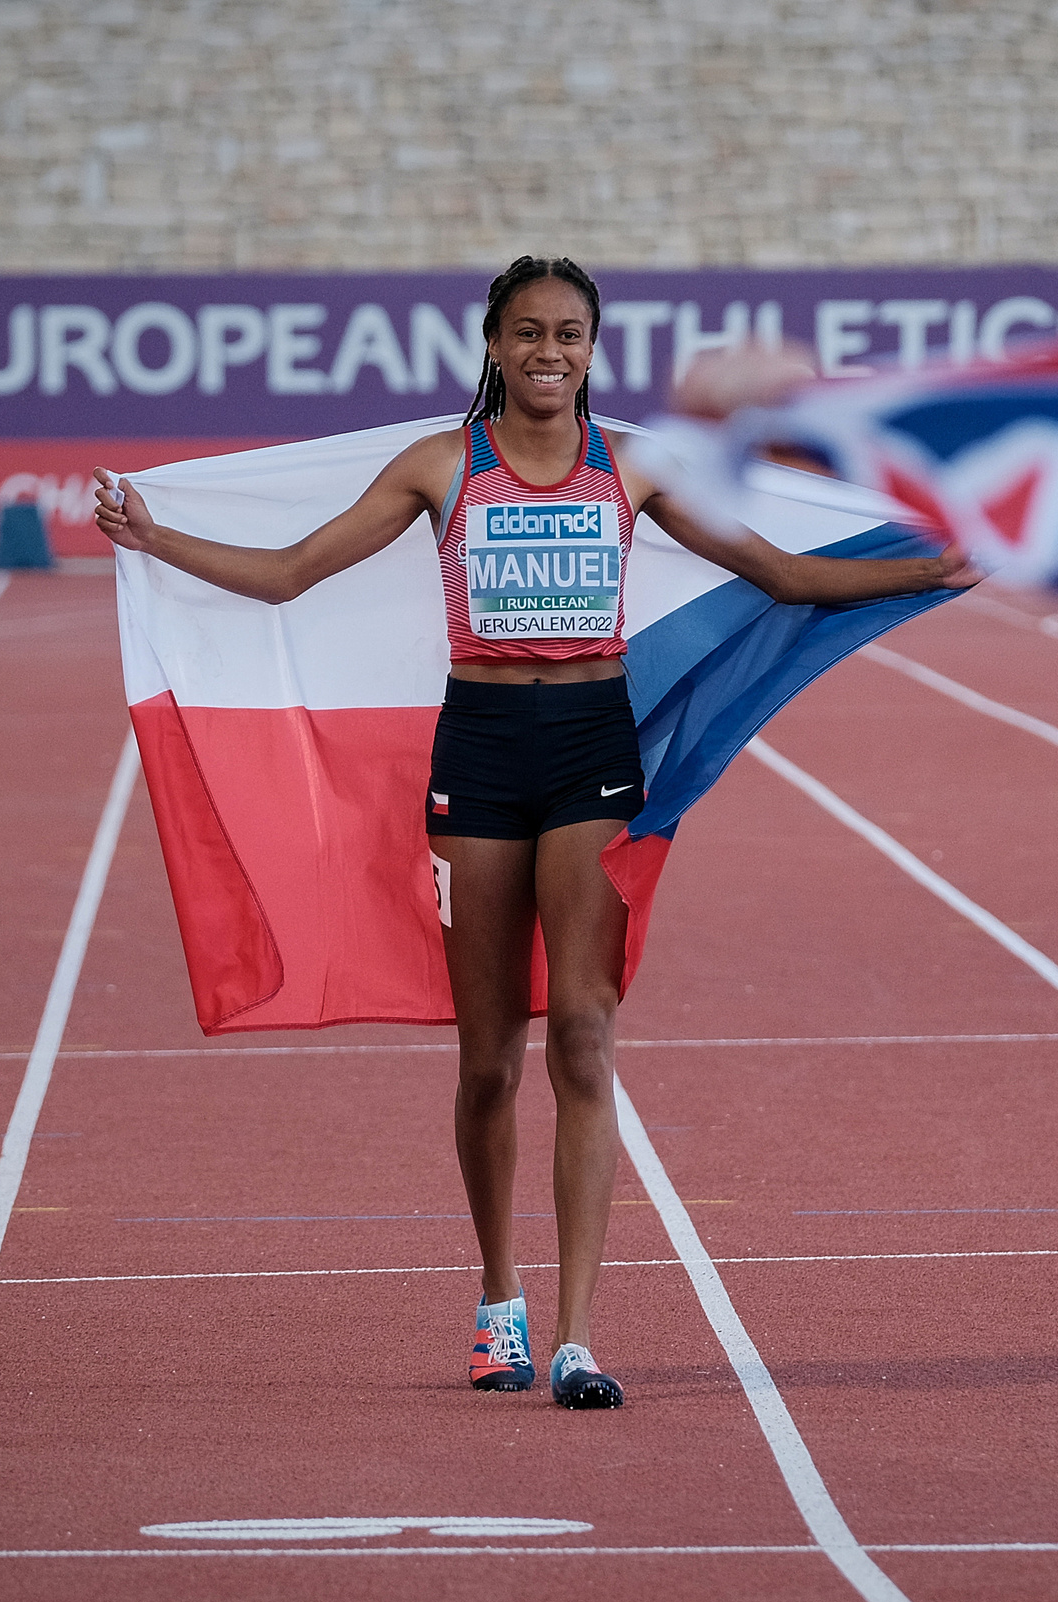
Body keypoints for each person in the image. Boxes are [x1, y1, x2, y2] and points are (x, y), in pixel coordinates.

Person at [92, 256, 976, 1409]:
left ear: (593, 349)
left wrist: (936, 566)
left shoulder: (635, 468)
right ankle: (496, 1301)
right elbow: (288, 574)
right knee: (487, 1053)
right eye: (527, 332)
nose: (548, 350)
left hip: (592, 752)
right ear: (494, 343)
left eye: (568, 332)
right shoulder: (438, 466)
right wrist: (155, 541)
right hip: (482, 758)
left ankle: (576, 1337)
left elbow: (784, 571)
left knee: (586, 1034)